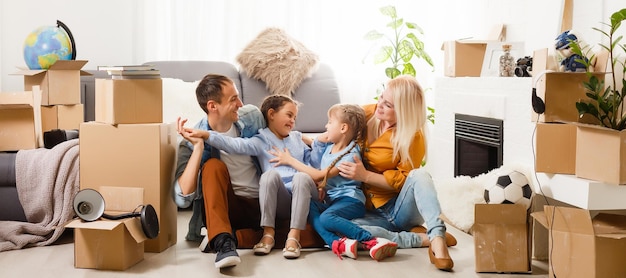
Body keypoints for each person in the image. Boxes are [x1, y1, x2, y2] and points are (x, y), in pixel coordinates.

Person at [337, 75, 455, 271]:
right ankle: (423, 238)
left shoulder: (413, 136)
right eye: (381, 97)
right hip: (368, 212)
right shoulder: (367, 113)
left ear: (403, 111)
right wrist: (305, 141)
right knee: (338, 227)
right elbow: (337, 123)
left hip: (400, 209)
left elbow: (402, 180)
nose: (379, 105)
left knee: (419, 175)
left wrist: (364, 176)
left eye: (388, 105)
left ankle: (438, 240)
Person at [181, 94, 315, 259]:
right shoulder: (261, 140)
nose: (292, 121)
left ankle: (241, 238)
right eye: (289, 115)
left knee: (305, 188)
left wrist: (314, 147)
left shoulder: (297, 138)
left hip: (300, 195)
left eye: (295, 117)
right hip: (277, 201)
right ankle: (265, 234)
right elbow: (234, 145)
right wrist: (206, 135)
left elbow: (312, 160)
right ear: (271, 114)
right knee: (269, 176)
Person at [269, 104, 398, 261]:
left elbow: (319, 175)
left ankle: (371, 240)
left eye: (330, 122)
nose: (326, 126)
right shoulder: (330, 146)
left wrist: (290, 161)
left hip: (350, 201)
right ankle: (337, 243)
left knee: (326, 218)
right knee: (309, 206)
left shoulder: (350, 154)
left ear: (343, 128)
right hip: (333, 201)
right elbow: (317, 149)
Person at [173, 74, 265, 269]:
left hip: (264, 205)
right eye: (233, 99)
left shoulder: (252, 117)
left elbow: (276, 142)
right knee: (212, 166)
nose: (240, 104)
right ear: (212, 106)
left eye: (238, 97)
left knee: (311, 232)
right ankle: (224, 242)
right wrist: (198, 148)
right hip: (227, 209)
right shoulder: (190, 141)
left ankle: (228, 237)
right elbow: (182, 199)